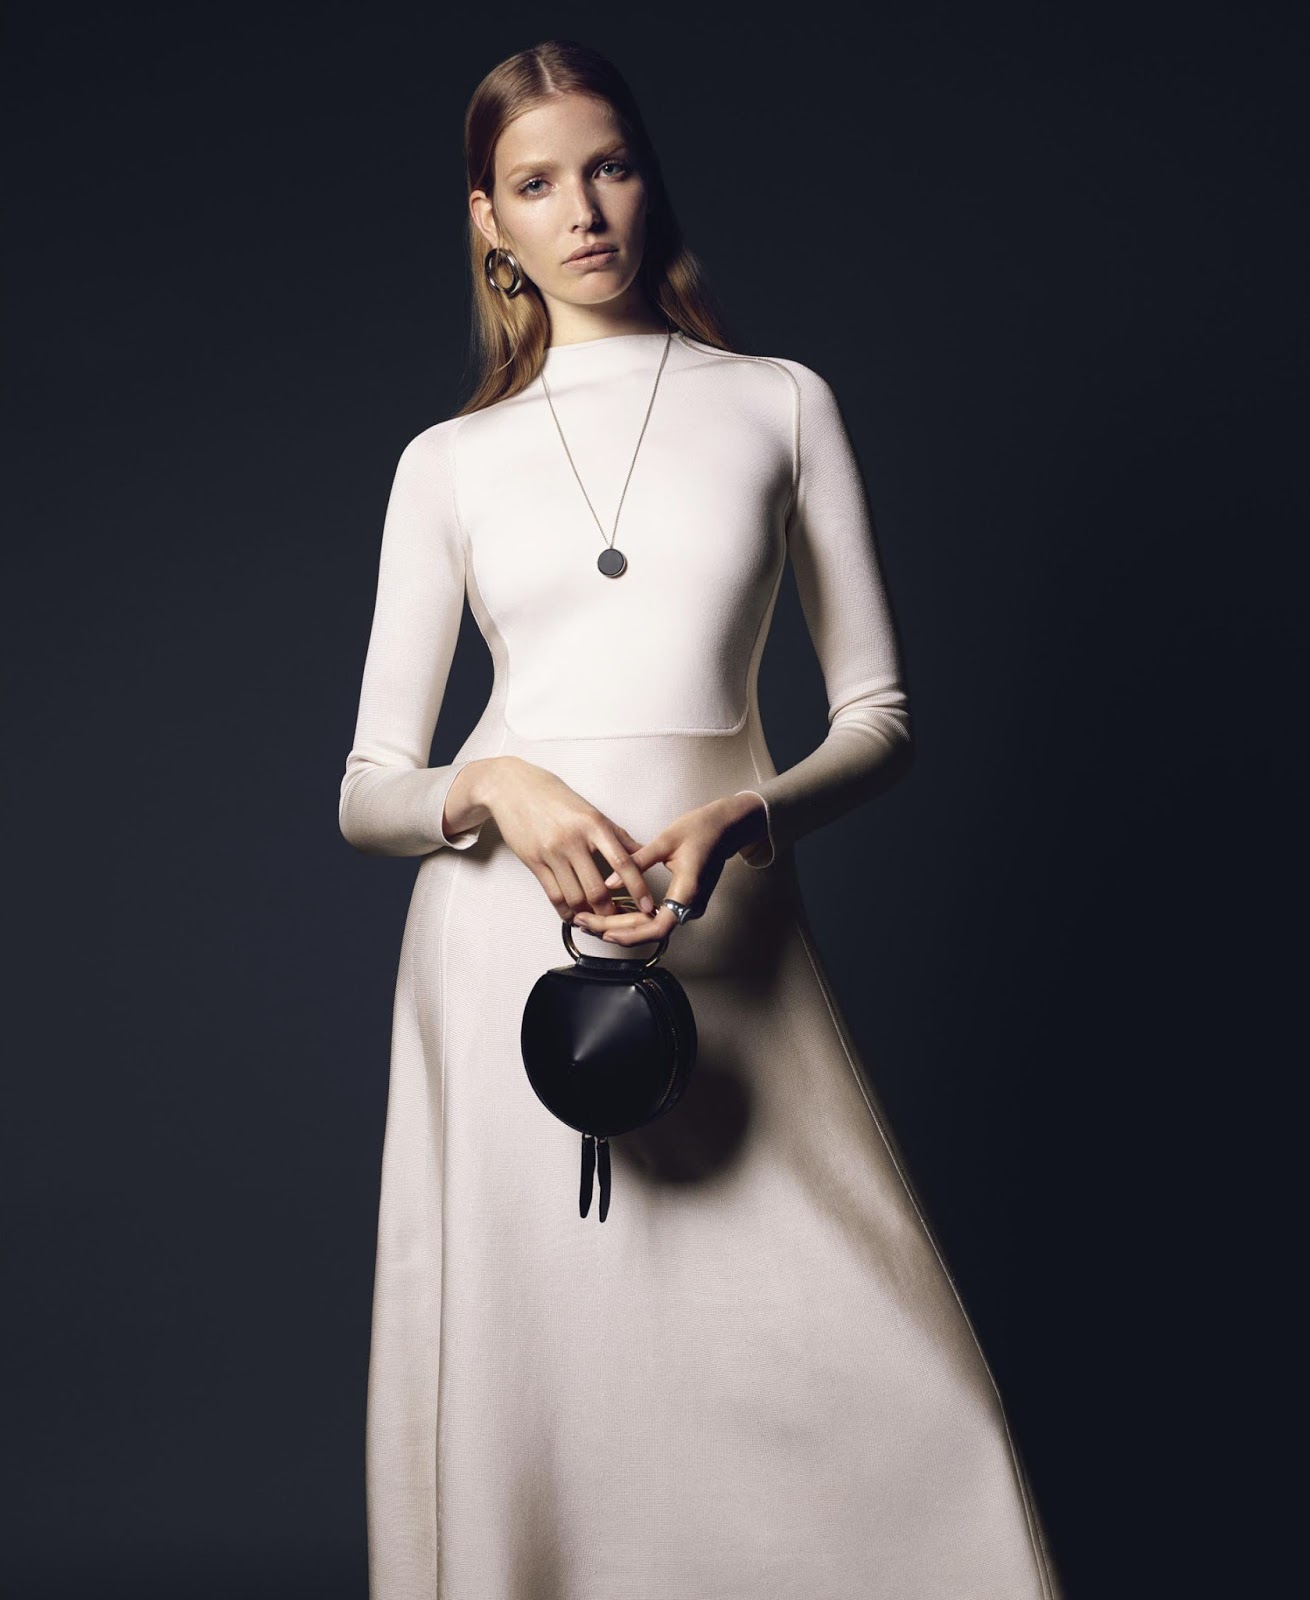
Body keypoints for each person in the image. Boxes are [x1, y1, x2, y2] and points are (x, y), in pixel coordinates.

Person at [338, 36, 1064, 1600]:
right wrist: (495, 785)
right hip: (504, 949)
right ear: (489, 220)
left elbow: (878, 718)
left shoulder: (778, 404)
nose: (582, 210)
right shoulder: (447, 464)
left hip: (731, 932)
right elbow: (368, 789)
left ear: (647, 178)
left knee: (882, 1371)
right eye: (537, 183)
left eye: (607, 166)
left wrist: (747, 819)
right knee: (545, 1367)